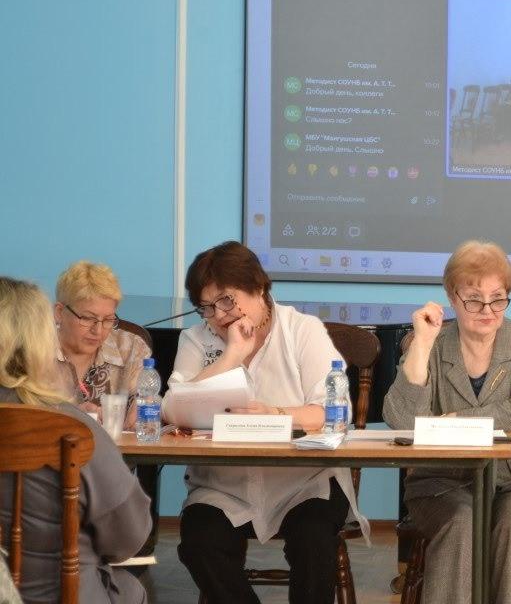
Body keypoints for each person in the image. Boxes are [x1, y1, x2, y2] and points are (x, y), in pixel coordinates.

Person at [166, 240, 369, 604]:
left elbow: (332, 413)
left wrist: (276, 414)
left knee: (314, 541)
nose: (219, 316)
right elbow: (172, 408)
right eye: (207, 307)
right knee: (199, 543)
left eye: (227, 300)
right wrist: (231, 356)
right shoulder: (196, 340)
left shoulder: (302, 330)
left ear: (258, 288)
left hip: (303, 483)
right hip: (223, 486)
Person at [383, 240, 511, 604]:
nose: (487, 310)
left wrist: (453, 421)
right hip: (443, 482)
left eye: (498, 299)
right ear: (452, 297)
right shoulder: (432, 345)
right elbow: (401, 420)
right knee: (461, 524)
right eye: (474, 300)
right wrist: (422, 343)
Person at [0, 276, 151, 604]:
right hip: (57, 594)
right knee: (130, 589)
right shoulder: (71, 426)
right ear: (41, 340)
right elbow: (129, 535)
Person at [53, 261, 151, 427]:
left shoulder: (131, 348)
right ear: (59, 312)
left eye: (108, 320)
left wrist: (147, 405)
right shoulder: (33, 351)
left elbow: (148, 397)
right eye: (87, 318)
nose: (98, 331)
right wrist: (68, 417)